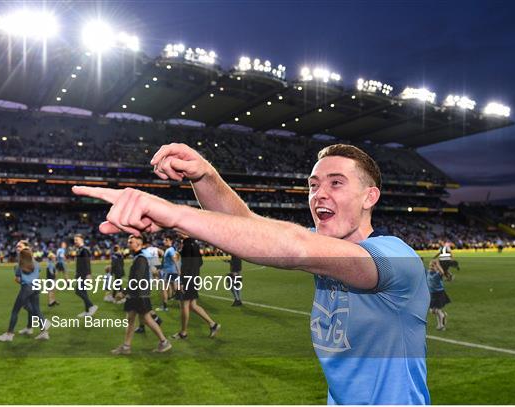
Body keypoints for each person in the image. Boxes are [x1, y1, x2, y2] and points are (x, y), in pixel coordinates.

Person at [72, 142, 431, 404]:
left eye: (336, 183)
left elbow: (293, 247)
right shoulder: (324, 246)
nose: (319, 194)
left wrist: (174, 214)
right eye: (313, 184)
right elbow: (248, 228)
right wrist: (205, 176)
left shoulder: (395, 258)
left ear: (370, 196)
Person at [111, 234, 172, 355]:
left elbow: (137, 279)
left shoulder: (141, 258)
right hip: (137, 293)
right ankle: (126, 346)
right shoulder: (139, 256)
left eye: (131, 242)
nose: (129, 243)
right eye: (129, 241)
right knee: (131, 319)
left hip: (139, 294)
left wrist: (123, 292)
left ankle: (164, 342)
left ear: (139, 244)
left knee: (146, 319)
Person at [0, 241, 50, 342]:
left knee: (15, 311)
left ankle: (9, 334)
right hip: (36, 287)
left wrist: (22, 280)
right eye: (16, 246)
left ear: (26, 248)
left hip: (26, 288)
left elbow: (18, 279)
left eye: (19, 246)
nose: (17, 248)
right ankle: (42, 331)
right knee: (35, 308)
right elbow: (37, 273)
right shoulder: (36, 263)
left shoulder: (18, 265)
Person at [172, 234, 220, 339]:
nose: (177, 232)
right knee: (193, 305)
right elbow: (200, 262)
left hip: (187, 279)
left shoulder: (187, 245)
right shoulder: (195, 244)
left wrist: (182, 281)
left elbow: (186, 266)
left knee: (184, 306)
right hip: (194, 278)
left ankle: (183, 333)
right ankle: (213, 325)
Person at [73, 234, 98, 318]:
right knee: (84, 292)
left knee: (78, 291)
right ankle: (87, 311)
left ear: (81, 240)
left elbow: (87, 263)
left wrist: (88, 274)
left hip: (83, 274)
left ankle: (92, 306)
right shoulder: (80, 250)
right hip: (80, 274)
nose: (75, 241)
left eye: (76, 240)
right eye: (74, 240)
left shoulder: (84, 250)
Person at [157, 235, 180, 311]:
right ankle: (183, 304)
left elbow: (175, 260)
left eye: (166, 240)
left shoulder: (170, 250)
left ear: (170, 241)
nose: (164, 241)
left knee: (164, 289)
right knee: (174, 289)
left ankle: (164, 307)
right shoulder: (169, 249)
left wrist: (178, 270)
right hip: (170, 271)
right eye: (164, 240)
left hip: (169, 272)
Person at [426, 259, 450, 330]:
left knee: (438, 310)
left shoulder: (437, 275)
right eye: (430, 266)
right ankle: (443, 315)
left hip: (439, 294)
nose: (431, 267)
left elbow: (442, 272)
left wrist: (438, 264)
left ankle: (441, 325)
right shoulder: (428, 273)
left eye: (433, 266)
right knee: (432, 311)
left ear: (436, 268)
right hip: (432, 294)